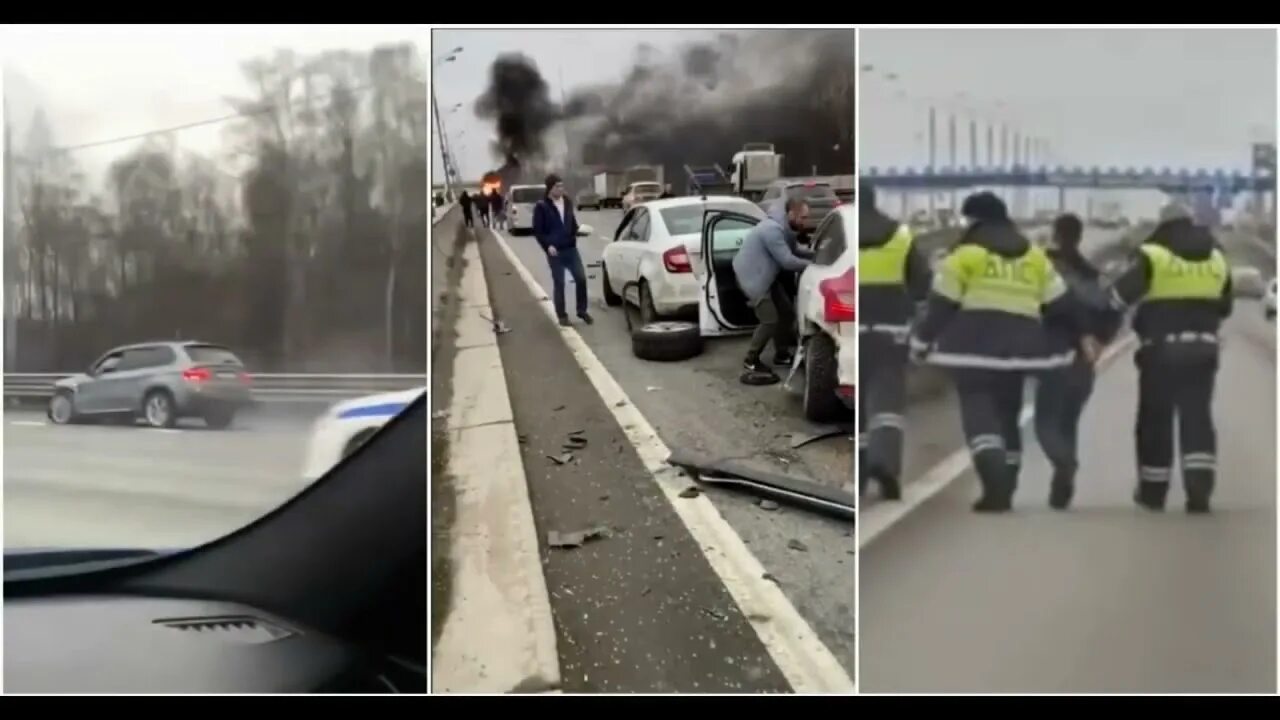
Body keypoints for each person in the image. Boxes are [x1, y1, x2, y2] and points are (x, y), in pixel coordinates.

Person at [910, 192, 1095, 513]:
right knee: (1008, 414)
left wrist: (921, 343)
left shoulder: (964, 257)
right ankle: (1014, 481)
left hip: (973, 350)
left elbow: (940, 306)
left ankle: (996, 481)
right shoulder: (1035, 257)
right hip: (1022, 351)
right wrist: (1081, 338)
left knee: (978, 410)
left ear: (974, 220)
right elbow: (1062, 306)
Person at [1106, 203, 1233, 513]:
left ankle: (1153, 493)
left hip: (1161, 350)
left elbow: (1118, 298)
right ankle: (1199, 492)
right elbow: (1226, 306)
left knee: (1155, 420)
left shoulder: (1153, 255)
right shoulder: (1216, 257)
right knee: (1197, 417)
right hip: (1203, 348)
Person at [1034, 213, 1122, 510]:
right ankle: (1062, 485)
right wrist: (1099, 341)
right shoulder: (1095, 276)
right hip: (1084, 357)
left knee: (1045, 421)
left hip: (1054, 352)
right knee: (1068, 419)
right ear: (1080, 237)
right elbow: (1114, 310)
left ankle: (1064, 464)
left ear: (1055, 234)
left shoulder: (1043, 267)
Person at [858, 182, 932, 501]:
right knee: (887, 402)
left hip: (853, 332)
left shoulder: (845, 234)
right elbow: (922, 286)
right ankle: (885, 465)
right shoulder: (902, 236)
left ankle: (859, 474)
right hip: (892, 332)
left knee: (856, 405)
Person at [732, 197, 812, 378]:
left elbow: (795, 252)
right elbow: (787, 261)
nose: (806, 222)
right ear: (791, 214)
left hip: (766, 275)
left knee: (786, 311)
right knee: (769, 320)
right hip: (752, 278)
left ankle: (781, 355)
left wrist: (816, 254)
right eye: (803, 217)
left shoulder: (785, 228)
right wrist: (812, 266)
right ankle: (750, 360)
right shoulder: (772, 230)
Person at [533, 174, 593, 327]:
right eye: (557, 187)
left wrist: (579, 231)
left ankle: (582, 310)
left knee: (581, 278)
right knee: (559, 283)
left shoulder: (567, 202)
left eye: (561, 186)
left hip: (570, 248)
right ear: (550, 188)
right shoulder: (542, 206)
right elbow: (538, 231)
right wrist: (548, 246)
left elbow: (571, 222)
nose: (561, 189)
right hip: (555, 252)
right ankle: (562, 316)